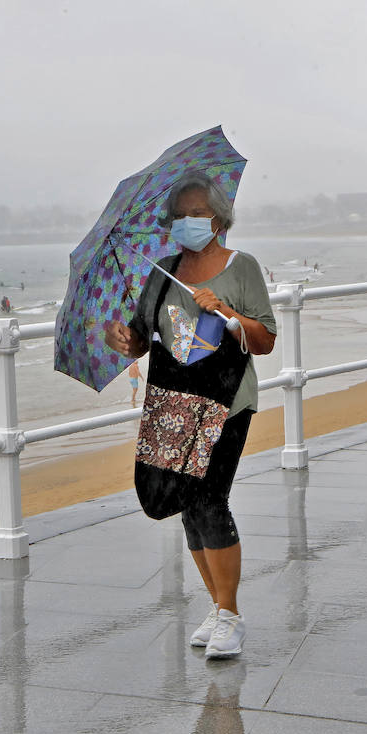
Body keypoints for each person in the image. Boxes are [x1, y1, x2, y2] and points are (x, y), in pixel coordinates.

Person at [104, 174, 276, 660]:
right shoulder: (161, 272)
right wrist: (124, 340)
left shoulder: (242, 268)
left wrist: (224, 311)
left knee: (209, 499)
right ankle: (218, 607)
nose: (186, 222)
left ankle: (231, 615)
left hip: (226, 402)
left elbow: (264, 341)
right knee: (185, 504)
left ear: (219, 218)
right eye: (179, 214)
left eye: (196, 212)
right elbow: (142, 336)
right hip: (173, 406)